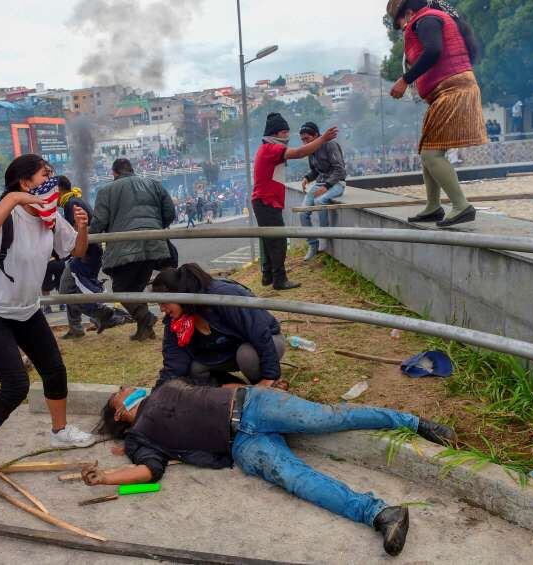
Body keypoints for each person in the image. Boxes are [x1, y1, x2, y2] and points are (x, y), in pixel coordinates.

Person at [87, 381, 457, 557]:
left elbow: (217, 387)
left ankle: (414, 422)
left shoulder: (161, 386)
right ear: (119, 412)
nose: (124, 386)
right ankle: (381, 514)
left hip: (253, 405)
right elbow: (149, 474)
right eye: (119, 392)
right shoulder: (140, 439)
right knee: (297, 479)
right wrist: (107, 477)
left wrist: (261, 385)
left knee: (331, 418)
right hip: (242, 446)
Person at [0, 154, 95, 489]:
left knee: (54, 369)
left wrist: (82, 228)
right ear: (25, 183)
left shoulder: (49, 218)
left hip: (26, 309)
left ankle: (60, 431)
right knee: (15, 384)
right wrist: (13, 200)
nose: (52, 179)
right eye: (45, 175)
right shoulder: (5, 214)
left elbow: (75, 252)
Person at [388, 0, 487, 227]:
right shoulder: (429, 19)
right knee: (426, 151)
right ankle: (433, 207)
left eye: (400, 22)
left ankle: (461, 206)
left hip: (453, 90)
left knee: (432, 155)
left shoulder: (426, 19)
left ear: (409, 13)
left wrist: (405, 80)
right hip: (446, 91)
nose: (402, 27)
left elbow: (433, 51)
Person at [151, 264, 286, 388]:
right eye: (159, 304)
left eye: (164, 303)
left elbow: (259, 332)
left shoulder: (222, 296)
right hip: (226, 353)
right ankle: (238, 389)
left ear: (179, 294)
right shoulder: (175, 320)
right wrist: (157, 392)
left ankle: (266, 386)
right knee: (192, 369)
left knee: (247, 355)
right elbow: (174, 361)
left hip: (265, 342)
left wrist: (270, 375)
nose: (162, 309)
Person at [90, 158, 176, 341]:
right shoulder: (154, 184)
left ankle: (146, 318)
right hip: (154, 243)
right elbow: (170, 213)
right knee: (136, 287)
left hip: (125, 245)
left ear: (114, 173)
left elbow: (98, 222)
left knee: (121, 288)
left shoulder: (106, 191)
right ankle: (145, 330)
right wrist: (155, 228)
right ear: (131, 169)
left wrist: (87, 235)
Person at [252, 112, 338, 290]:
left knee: (269, 240)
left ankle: (268, 276)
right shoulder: (271, 149)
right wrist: (322, 139)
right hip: (266, 201)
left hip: (266, 201)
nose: (288, 136)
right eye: (285, 133)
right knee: (278, 241)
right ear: (276, 134)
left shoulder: (267, 149)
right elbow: (299, 152)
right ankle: (279, 279)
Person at [56, 176, 129, 339]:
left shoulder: (71, 204)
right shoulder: (75, 201)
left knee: (65, 290)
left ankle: (105, 314)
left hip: (85, 256)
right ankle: (78, 326)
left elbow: (77, 232)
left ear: (59, 189)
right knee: (69, 290)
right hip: (89, 254)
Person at [298, 121, 347, 261]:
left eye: (307, 139)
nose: (304, 142)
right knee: (303, 212)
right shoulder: (310, 149)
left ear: (316, 135)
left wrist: (326, 186)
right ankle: (312, 244)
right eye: (302, 140)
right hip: (320, 182)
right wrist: (307, 178)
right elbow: (315, 170)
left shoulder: (330, 145)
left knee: (320, 200)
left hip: (336, 183)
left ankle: (323, 235)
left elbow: (340, 170)